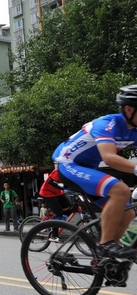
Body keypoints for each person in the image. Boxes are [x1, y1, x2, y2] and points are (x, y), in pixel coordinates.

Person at [52, 84, 137, 259]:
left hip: (88, 169)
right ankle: (105, 245)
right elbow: (109, 158)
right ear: (129, 109)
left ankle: (106, 260)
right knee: (120, 190)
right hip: (68, 165)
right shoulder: (106, 124)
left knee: (127, 212)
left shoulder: (133, 131)